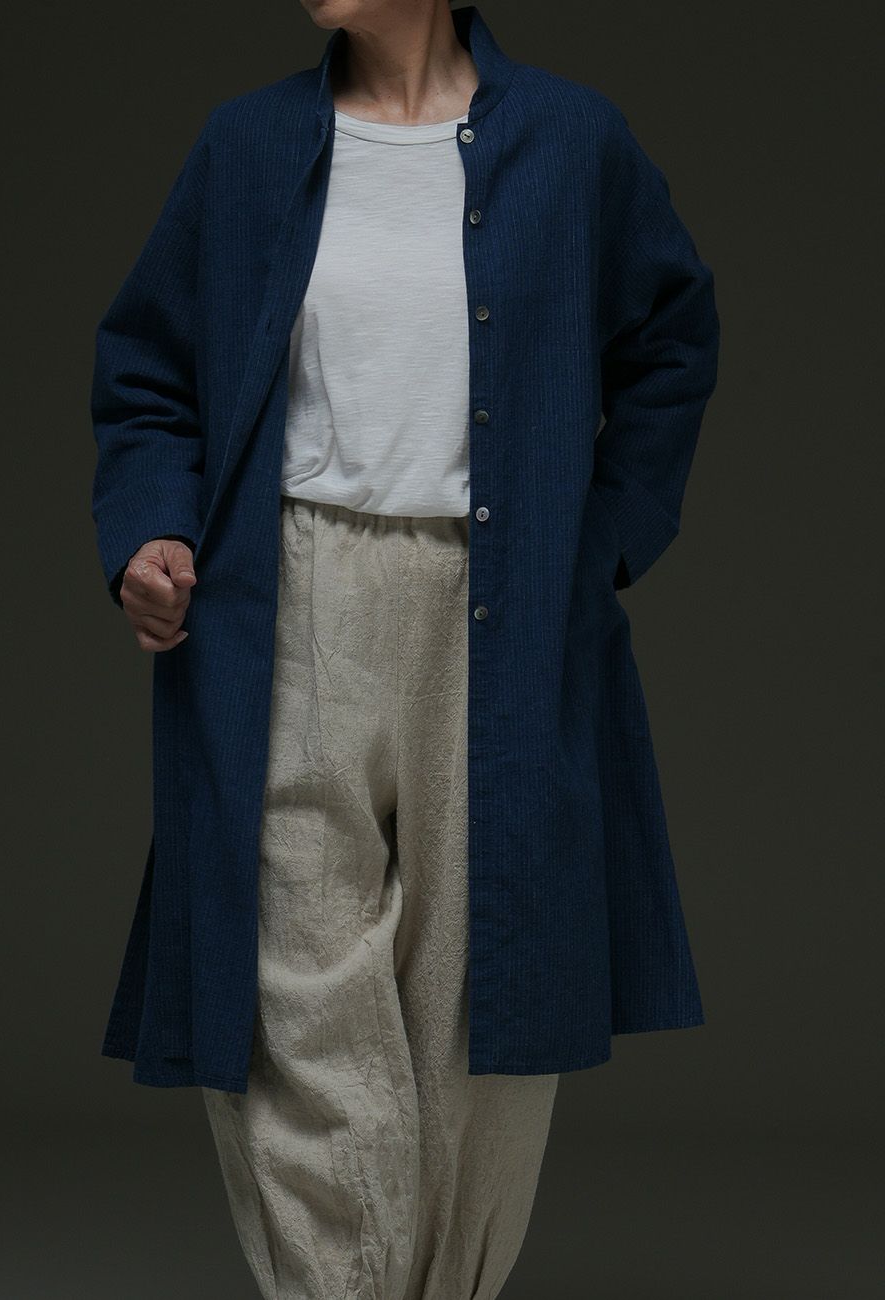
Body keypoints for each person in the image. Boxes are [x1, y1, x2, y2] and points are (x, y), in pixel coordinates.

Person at [90, 3, 720, 1297]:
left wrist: (593, 546)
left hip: (502, 618)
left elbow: (672, 339)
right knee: (289, 987)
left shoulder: (574, 144)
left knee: (480, 991)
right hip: (286, 607)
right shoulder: (246, 147)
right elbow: (148, 367)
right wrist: (152, 528)